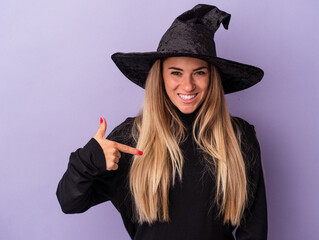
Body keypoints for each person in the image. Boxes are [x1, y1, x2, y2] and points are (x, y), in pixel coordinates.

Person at [57, 4, 267, 240]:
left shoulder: (238, 136)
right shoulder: (133, 137)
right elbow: (70, 202)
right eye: (176, 73)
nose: (188, 86)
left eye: (199, 73)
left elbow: (254, 229)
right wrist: (90, 159)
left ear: (212, 78)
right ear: (160, 78)